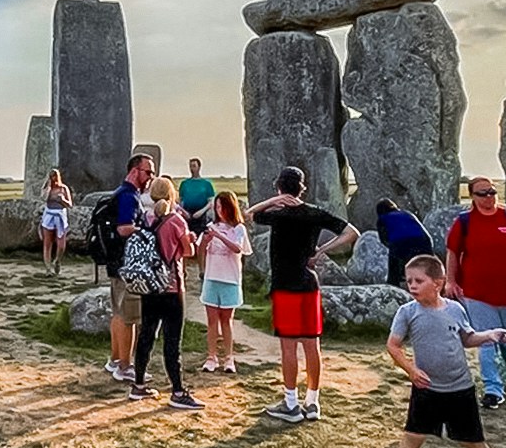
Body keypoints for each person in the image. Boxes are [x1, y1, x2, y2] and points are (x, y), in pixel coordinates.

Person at [383, 254, 506, 448]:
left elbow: (467, 338)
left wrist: (490, 335)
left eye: (418, 280)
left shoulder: (455, 309)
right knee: (412, 436)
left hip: (460, 389)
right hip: (427, 389)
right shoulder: (407, 312)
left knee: (473, 441)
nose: (412, 285)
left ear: (438, 282)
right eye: (408, 280)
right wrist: (411, 370)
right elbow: (393, 345)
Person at [249, 166, 359, 423]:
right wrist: (322, 250)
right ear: (302, 188)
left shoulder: (278, 215)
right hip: (309, 284)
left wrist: (274, 201)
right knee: (312, 346)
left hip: (285, 285)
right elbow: (352, 232)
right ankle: (312, 401)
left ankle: (290, 403)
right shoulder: (314, 214)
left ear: (279, 187)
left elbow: (248, 214)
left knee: (289, 348)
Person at [444, 176, 506, 409]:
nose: (489, 197)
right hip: (478, 294)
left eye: (492, 191)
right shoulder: (465, 222)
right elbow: (452, 252)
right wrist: (450, 281)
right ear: (473, 196)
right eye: (483, 193)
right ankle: (493, 389)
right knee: (488, 340)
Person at [128, 177, 204, 410]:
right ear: (172, 195)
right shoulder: (176, 220)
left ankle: (138, 384)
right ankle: (178, 391)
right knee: (172, 340)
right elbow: (188, 251)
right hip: (170, 286)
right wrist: (190, 239)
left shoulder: (146, 218)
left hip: (149, 286)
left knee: (146, 335)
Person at [103, 154, 155, 383]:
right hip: (128, 264)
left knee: (117, 313)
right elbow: (124, 228)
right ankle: (125, 366)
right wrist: (145, 231)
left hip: (116, 263)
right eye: (148, 172)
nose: (150, 177)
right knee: (129, 318)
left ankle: (114, 359)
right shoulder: (128, 197)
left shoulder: (119, 193)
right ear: (134, 171)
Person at [198, 190, 251, 373]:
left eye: (223, 206)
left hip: (230, 279)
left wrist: (219, 236)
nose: (219, 210)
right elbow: (199, 251)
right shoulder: (211, 226)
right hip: (212, 277)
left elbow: (237, 248)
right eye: (217, 207)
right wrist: (205, 241)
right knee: (212, 320)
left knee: (226, 320)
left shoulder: (238, 229)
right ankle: (211, 356)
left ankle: (229, 358)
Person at [375, 199, 435, 288]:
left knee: (394, 265)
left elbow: (384, 239)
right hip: (424, 240)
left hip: (400, 242)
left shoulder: (383, 219)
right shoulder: (407, 214)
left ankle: (393, 286)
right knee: (428, 267)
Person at [39, 168, 73, 275]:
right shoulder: (46, 188)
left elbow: (70, 205)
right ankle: (48, 269)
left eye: (55, 176)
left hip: (60, 215)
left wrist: (63, 200)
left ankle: (57, 260)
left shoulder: (63, 188)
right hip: (49, 215)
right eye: (51, 176)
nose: (53, 178)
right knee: (47, 243)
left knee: (61, 244)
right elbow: (43, 199)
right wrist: (48, 188)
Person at [178, 159, 217, 242]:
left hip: (202, 214)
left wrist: (201, 212)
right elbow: (180, 201)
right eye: (191, 166)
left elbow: (211, 201)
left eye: (194, 166)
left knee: (201, 239)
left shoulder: (206, 184)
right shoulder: (185, 183)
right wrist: (184, 212)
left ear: (199, 167)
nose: (192, 169)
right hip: (187, 214)